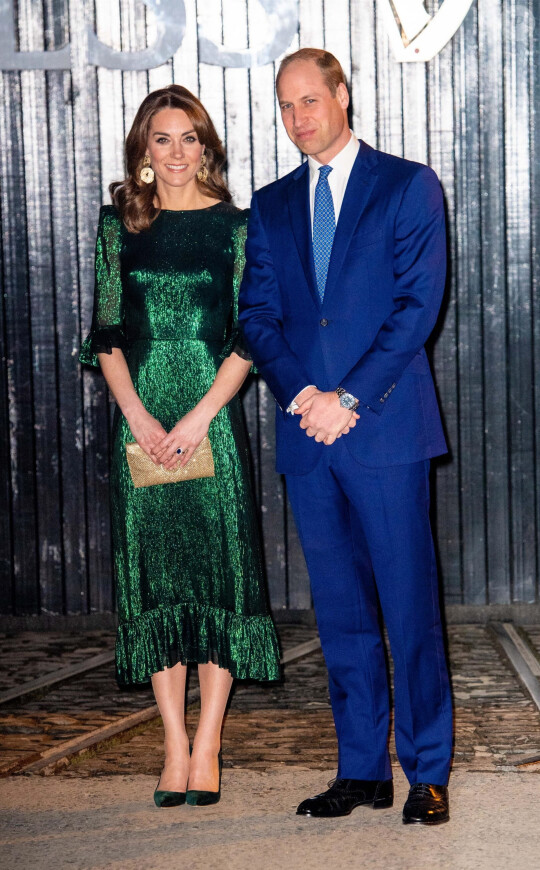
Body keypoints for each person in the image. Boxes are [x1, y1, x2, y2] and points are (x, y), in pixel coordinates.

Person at [238, 48, 453, 826]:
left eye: (309, 99)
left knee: (409, 608)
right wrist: (304, 395)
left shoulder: (407, 185)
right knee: (341, 615)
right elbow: (256, 316)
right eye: (285, 104)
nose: (298, 116)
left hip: (384, 429)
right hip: (308, 435)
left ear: (342, 96)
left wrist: (349, 397)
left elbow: (417, 307)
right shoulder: (270, 205)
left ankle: (428, 772)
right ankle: (361, 769)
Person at [80, 84, 280, 809]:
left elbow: (249, 335)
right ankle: (171, 745)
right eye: (161, 138)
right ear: (142, 150)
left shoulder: (238, 228)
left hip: (210, 424)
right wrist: (136, 415)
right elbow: (105, 331)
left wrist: (199, 418)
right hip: (141, 428)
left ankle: (208, 744)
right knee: (157, 580)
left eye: (188, 138)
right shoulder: (118, 227)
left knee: (219, 577)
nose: (175, 152)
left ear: (206, 148)